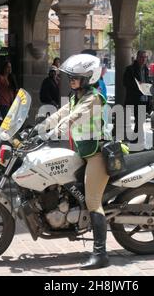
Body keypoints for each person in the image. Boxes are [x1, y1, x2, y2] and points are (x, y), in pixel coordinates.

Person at [36, 54, 109, 270]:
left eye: (75, 77)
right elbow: (61, 112)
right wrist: (39, 127)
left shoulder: (93, 97)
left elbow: (73, 117)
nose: (71, 81)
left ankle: (100, 254)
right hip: (82, 153)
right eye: (71, 77)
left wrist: (55, 132)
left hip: (96, 155)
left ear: (87, 78)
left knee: (93, 201)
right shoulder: (77, 96)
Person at [123, 50, 150, 142]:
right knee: (138, 120)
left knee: (140, 121)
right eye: (142, 57)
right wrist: (138, 85)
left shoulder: (147, 70)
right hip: (134, 98)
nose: (143, 59)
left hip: (144, 98)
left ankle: (136, 139)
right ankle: (136, 140)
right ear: (137, 58)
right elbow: (125, 83)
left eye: (145, 57)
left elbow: (148, 82)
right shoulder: (130, 69)